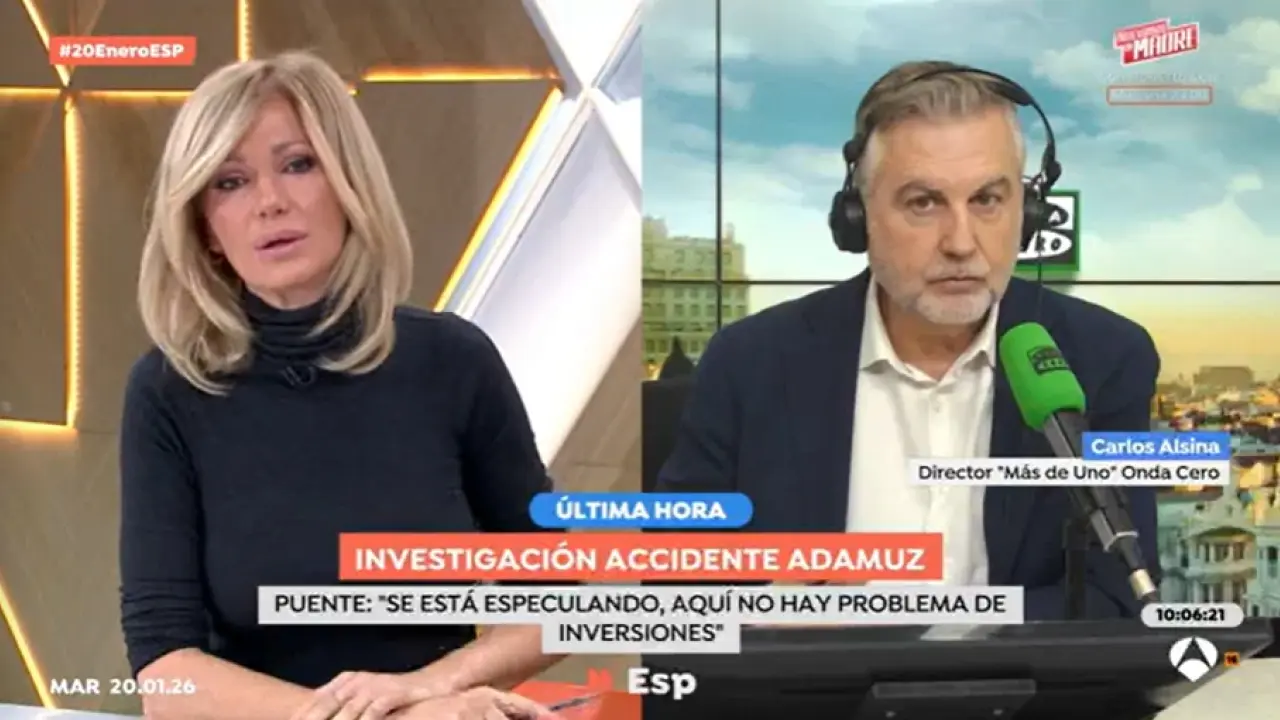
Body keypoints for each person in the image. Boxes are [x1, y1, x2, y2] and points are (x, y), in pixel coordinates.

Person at [120, 51, 563, 720]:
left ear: (350, 182)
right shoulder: (168, 392)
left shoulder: (454, 361)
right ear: (205, 229)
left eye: (298, 164)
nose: (271, 202)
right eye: (231, 182)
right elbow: (165, 674)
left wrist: (432, 687)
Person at [653, 61, 1160, 620]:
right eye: (924, 202)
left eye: (987, 200)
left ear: (1028, 211)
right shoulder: (750, 362)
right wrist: (772, 612)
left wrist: (922, 630)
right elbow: (677, 585)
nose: (961, 242)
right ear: (859, 215)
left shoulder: (1104, 358)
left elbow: (1120, 595)